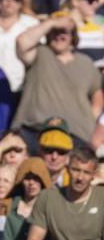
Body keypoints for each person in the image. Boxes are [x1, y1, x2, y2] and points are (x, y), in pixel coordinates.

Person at [14, 19, 103, 150]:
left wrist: (88, 119)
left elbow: (97, 96)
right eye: (55, 32)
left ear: (73, 37)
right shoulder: (40, 53)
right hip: (34, 130)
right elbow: (21, 42)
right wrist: (52, 23)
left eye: (64, 32)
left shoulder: (86, 63)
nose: (59, 36)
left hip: (76, 135)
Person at [26, 146, 104, 240]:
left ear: (94, 175)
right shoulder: (48, 197)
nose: (80, 178)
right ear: (67, 169)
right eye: (76, 170)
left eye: (86, 172)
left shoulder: (101, 197)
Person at [1, 156, 51, 240]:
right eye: (27, 178)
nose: (31, 183)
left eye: (36, 178)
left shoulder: (51, 208)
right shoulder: (7, 205)